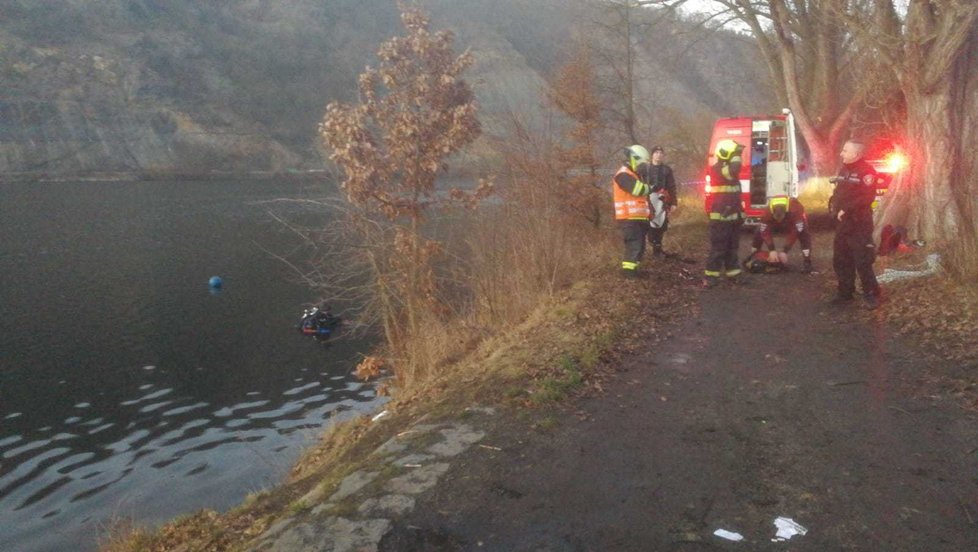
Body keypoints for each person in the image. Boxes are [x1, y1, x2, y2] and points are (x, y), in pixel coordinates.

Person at [829, 139, 882, 309]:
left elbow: (867, 198)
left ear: (856, 154)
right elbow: (839, 192)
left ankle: (871, 294)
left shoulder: (867, 172)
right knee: (841, 258)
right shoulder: (844, 169)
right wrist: (835, 209)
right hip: (843, 223)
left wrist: (847, 209)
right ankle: (845, 293)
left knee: (863, 259)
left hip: (859, 223)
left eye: (845, 150)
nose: (841, 153)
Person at [704, 139, 746, 288]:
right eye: (734, 153)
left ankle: (733, 273)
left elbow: (735, 195)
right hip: (720, 217)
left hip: (733, 216)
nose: (737, 156)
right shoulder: (717, 168)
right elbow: (733, 170)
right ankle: (711, 276)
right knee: (718, 248)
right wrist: (736, 156)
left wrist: (741, 212)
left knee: (732, 247)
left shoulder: (728, 170)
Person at [613, 145, 653, 277]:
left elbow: (642, 198)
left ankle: (634, 270)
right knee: (634, 245)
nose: (644, 167)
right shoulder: (623, 175)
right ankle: (628, 273)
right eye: (643, 163)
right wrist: (650, 187)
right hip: (628, 219)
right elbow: (638, 190)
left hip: (638, 218)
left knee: (640, 246)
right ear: (635, 159)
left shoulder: (635, 175)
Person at [749, 195, 814, 273]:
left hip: (793, 220)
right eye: (777, 218)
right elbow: (764, 231)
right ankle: (754, 256)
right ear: (772, 214)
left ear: (785, 213)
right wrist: (772, 250)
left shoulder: (796, 209)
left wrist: (784, 251)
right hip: (777, 219)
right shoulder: (767, 212)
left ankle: (807, 262)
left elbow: (795, 232)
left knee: (804, 232)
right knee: (759, 230)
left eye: (780, 219)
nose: (779, 221)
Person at [643, 145, 678, 257]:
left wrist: (673, 202)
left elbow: (672, 187)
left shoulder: (667, 170)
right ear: (652, 155)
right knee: (649, 225)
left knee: (661, 225)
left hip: (662, 201)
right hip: (647, 201)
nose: (659, 155)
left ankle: (657, 250)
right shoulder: (645, 168)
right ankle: (646, 248)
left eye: (661, 153)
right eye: (656, 152)